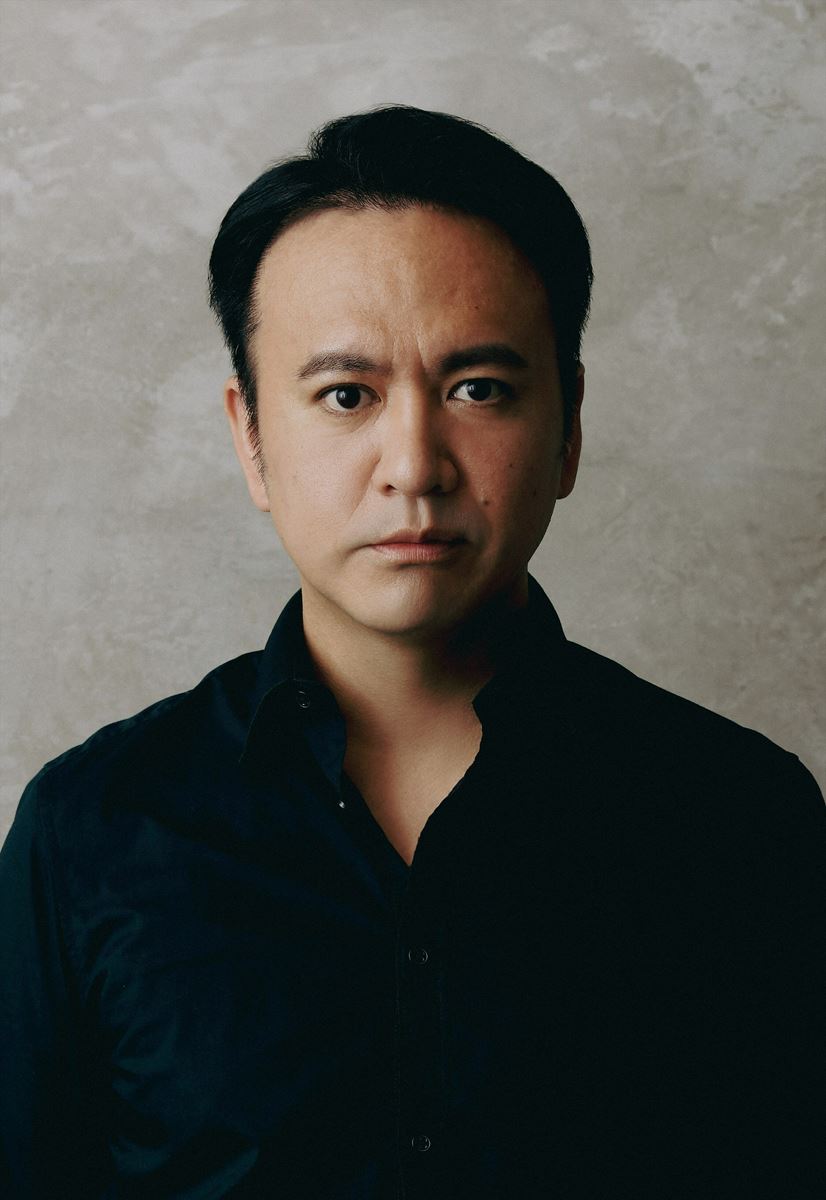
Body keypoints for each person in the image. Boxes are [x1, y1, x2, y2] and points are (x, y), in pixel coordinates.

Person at [1, 103, 823, 1200]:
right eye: (346, 395)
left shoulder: (743, 821)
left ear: (569, 424)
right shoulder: (92, 834)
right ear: (250, 435)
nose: (414, 465)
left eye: (478, 390)